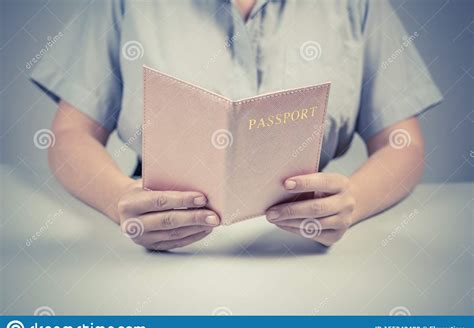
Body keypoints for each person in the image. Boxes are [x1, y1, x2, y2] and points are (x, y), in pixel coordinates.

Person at [30, 0, 442, 251]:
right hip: (162, 240)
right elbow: (69, 135)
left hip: (307, 243)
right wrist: (119, 199)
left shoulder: (357, 3)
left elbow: (403, 144)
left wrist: (352, 200)